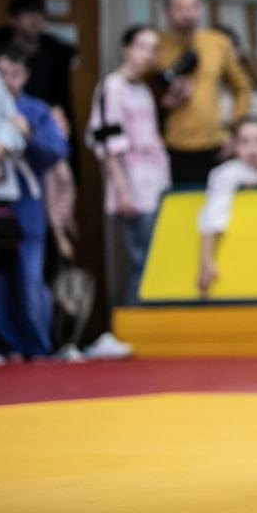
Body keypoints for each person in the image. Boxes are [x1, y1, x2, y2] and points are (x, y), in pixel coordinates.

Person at [0, 42, 68, 358]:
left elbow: (57, 151)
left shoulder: (35, 110)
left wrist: (29, 135)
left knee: (29, 277)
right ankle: (6, 345)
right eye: (2, 73)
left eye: (15, 73)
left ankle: (38, 346)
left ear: (25, 75)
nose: (8, 80)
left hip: (26, 204)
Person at [86, 26, 171, 306]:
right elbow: (106, 141)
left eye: (154, 49)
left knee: (156, 258)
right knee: (142, 260)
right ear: (126, 48)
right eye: (142, 46)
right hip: (133, 187)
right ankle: (132, 320)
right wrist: (123, 191)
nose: (148, 55)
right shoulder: (112, 87)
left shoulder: (143, 89)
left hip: (155, 184)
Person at [155, 0, 252, 186]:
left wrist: (235, 131)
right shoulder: (156, 45)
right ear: (167, 11)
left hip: (216, 144)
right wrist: (165, 102)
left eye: (193, 6)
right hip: (172, 145)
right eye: (180, 7)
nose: (188, 13)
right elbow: (143, 93)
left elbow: (242, 87)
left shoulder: (217, 42)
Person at [196, 117, 257, 297]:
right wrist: (206, 262)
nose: (253, 149)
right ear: (234, 145)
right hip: (238, 258)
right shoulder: (224, 174)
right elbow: (213, 217)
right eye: (245, 142)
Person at [0, 0, 77, 145]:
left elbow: (60, 96)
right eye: (28, 13)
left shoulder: (54, 51)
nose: (35, 19)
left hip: (40, 115)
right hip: (1, 114)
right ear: (13, 20)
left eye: (39, 13)